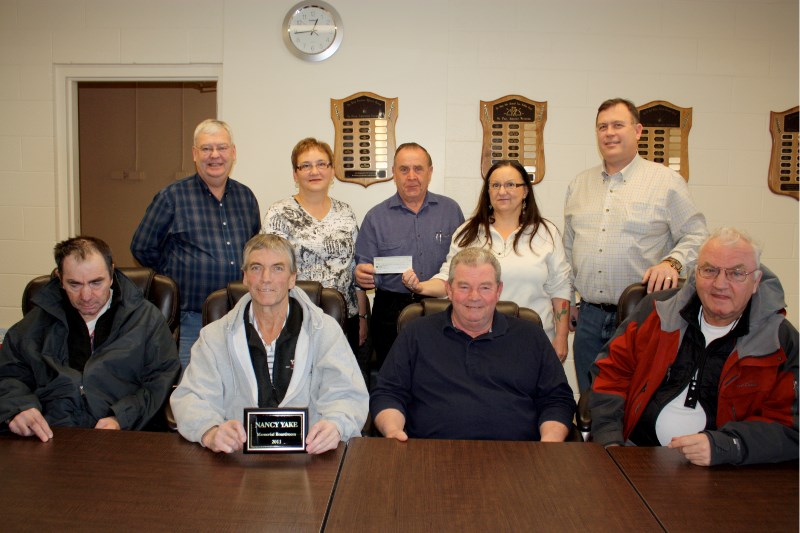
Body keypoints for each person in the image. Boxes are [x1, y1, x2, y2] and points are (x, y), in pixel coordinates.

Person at [589, 228, 798, 466]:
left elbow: (792, 427)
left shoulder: (779, 340)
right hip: (636, 454)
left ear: (755, 281)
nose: (720, 284)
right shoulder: (656, 312)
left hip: (727, 469)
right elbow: (610, 374)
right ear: (695, 273)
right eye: (710, 270)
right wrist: (610, 443)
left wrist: (727, 446)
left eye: (736, 273)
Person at [171, 234, 368, 454]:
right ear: (245, 277)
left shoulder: (325, 331)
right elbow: (190, 398)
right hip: (237, 458)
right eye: (256, 268)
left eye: (277, 268)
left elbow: (348, 395)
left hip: (311, 456)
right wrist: (211, 431)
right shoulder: (214, 337)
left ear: (292, 278)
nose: (266, 278)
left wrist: (336, 426)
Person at [564, 98, 708, 392]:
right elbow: (568, 250)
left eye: (618, 125)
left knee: (635, 403)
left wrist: (673, 263)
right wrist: (570, 302)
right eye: (602, 127)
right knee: (591, 403)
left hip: (641, 315)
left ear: (638, 130)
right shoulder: (579, 184)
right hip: (589, 319)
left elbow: (696, 235)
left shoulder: (666, 181)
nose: (609, 133)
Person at [371, 248, 576, 441]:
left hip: (518, 458)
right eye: (464, 287)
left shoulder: (531, 337)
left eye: (485, 287)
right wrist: (393, 431)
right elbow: (388, 393)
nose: (474, 297)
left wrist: (549, 442)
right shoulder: (416, 333)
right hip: (430, 456)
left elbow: (557, 399)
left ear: (498, 290)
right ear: (449, 289)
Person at [0, 236, 180, 441]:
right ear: (60, 278)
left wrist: (121, 417)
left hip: (123, 435)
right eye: (74, 284)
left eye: (96, 283)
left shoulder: (146, 320)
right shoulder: (35, 324)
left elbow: (160, 380)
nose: (86, 296)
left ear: (111, 274)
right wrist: (17, 407)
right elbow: (8, 375)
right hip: (49, 434)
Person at [403, 160, 572, 361]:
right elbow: (448, 280)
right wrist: (420, 287)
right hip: (475, 340)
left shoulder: (546, 233)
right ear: (488, 192)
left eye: (511, 184)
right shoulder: (468, 233)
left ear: (525, 191)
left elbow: (560, 288)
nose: (502, 191)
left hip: (532, 340)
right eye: (495, 185)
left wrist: (561, 338)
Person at [131, 119, 261, 369]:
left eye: (221, 148)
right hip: (191, 318)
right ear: (194, 154)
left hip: (239, 313)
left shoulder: (246, 197)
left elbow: (253, 250)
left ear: (233, 152)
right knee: (190, 389)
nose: (215, 155)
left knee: (237, 386)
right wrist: (174, 272)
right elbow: (141, 247)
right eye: (206, 149)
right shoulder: (172, 197)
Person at [355, 142, 464, 372]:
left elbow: (463, 263)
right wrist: (362, 276)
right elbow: (362, 270)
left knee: (441, 375)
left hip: (441, 307)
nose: (411, 176)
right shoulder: (375, 217)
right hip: (390, 311)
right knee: (395, 376)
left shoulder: (451, 211)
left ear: (430, 172)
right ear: (394, 173)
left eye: (418, 169)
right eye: (404, 169)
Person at [262, 137, 368, 372]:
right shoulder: (278, 214)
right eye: (305, 165)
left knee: (338, 385)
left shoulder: (346, 213)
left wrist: (362, 317)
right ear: (295, 174)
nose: (314, 171)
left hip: (343, 319)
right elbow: (270, 270)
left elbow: (355, 270)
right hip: (294, 318)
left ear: (332, 171)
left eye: (321, 164)